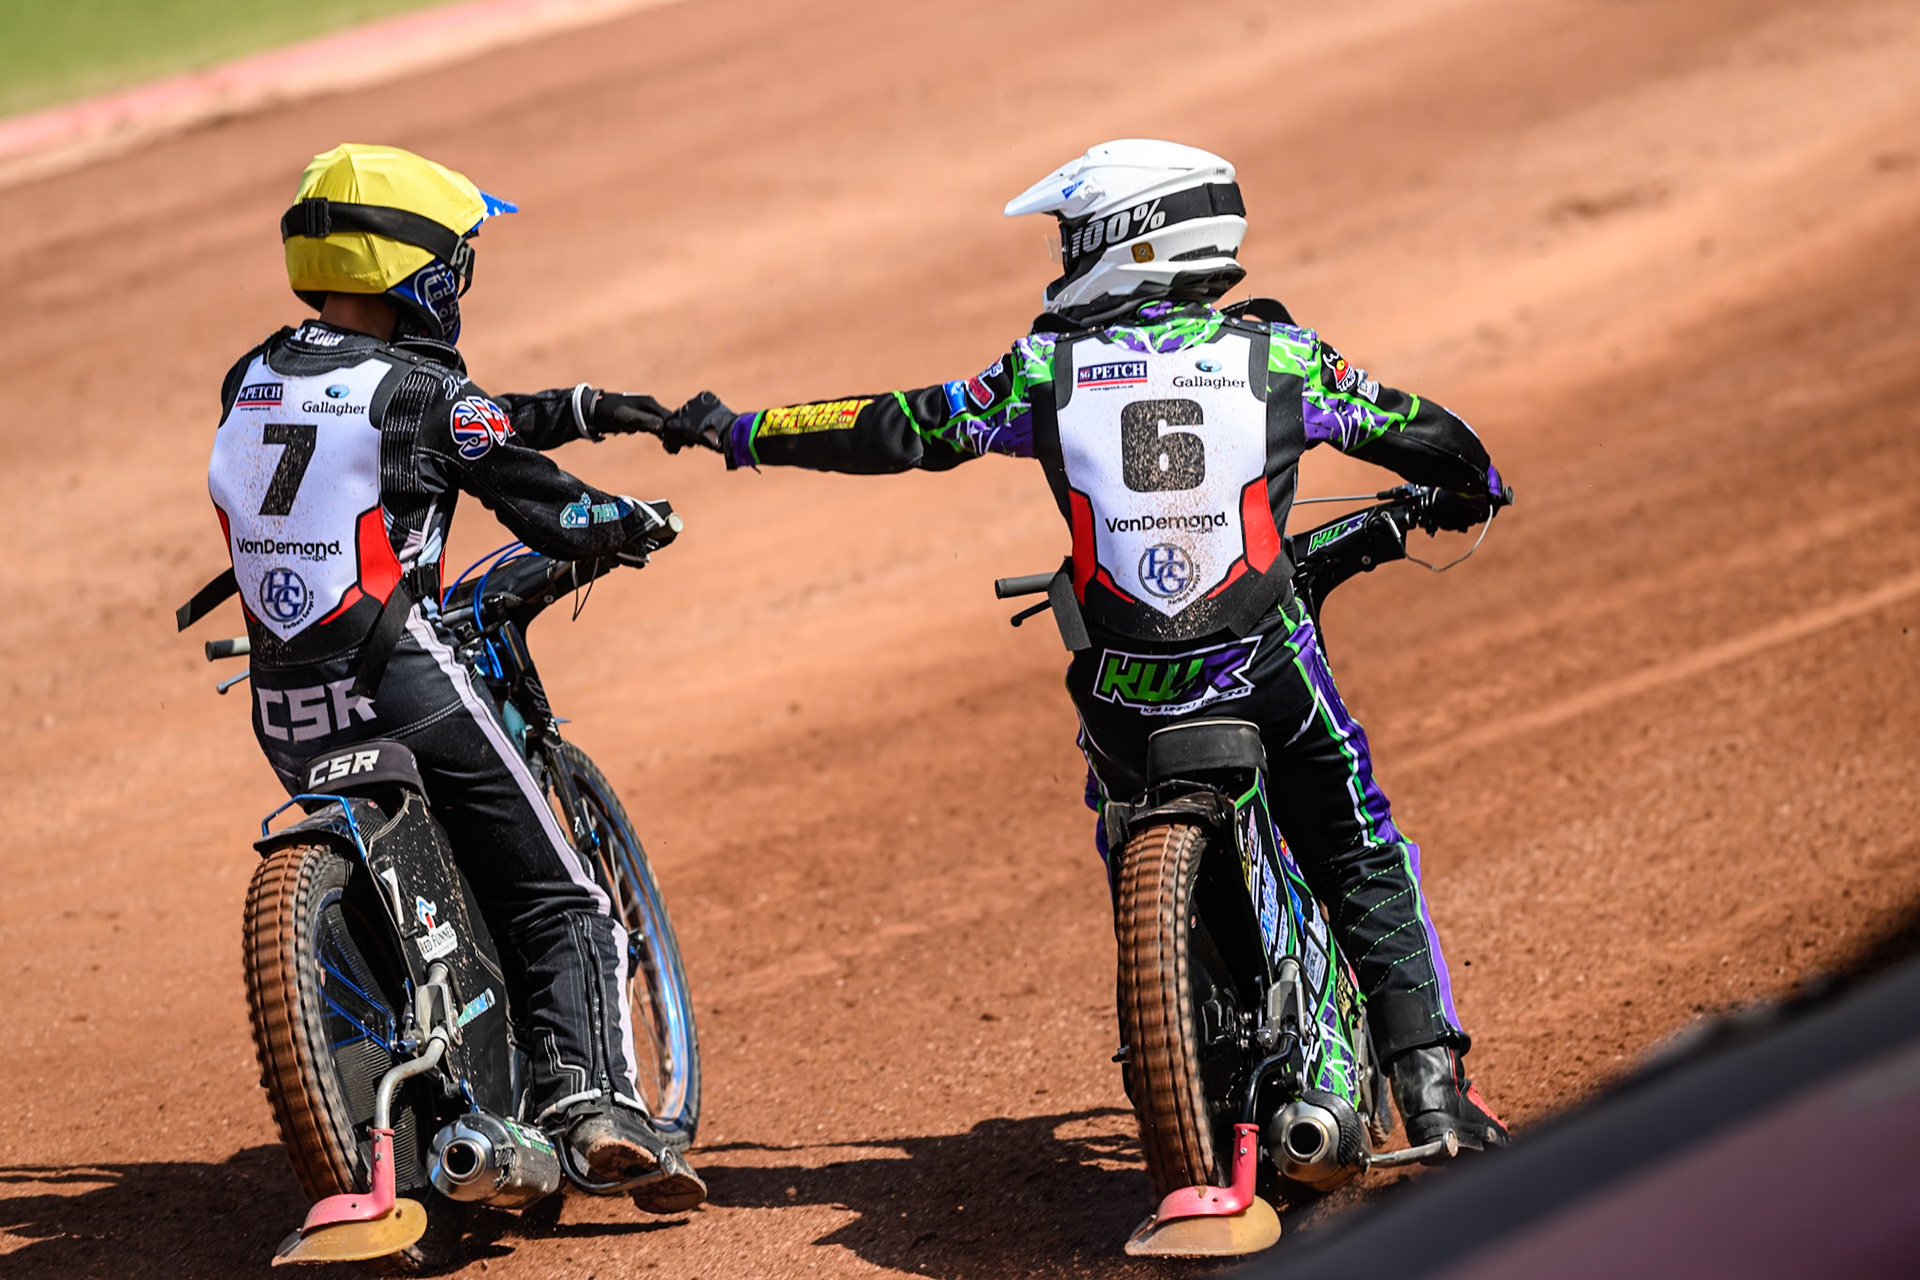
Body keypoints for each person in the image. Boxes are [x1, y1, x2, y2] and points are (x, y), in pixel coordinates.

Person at [662, 140, 1511, 1154]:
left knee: (1121, 805)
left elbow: (888, 427)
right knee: (1358, 844)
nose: (1062, 262)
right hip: (1265, 672)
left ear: (1129, 244)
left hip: (1125, 692)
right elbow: (1429, 432)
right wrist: (1469, 487)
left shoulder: (1041, 371)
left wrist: (745, 429)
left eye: (1074, 240)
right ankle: (1431, 1090)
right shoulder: (1281, 358)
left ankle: (1186, 1002)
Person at [199, 143, 704, 1210]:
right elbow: (539, 498)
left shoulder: (249, 374)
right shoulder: (427, 385)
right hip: (407, 683)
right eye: (457, 259)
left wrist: (576, 401)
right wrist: (623, 519)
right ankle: (595, 1108)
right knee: (564, 895)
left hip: (286, 705)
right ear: (417, 271)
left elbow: (390, 440)